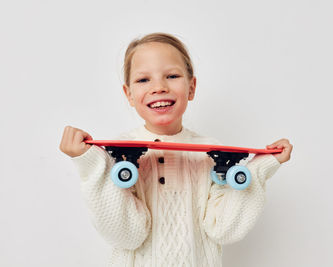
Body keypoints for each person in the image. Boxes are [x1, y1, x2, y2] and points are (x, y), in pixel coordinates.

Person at [59, 32, 293, 267]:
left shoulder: (212, 153)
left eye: (171, 76)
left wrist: (260, 169)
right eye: (143, 80)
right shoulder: (118, 154)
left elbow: (224, 229)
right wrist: (90, 163)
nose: (159, 87)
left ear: (191, 88)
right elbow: (127, 235)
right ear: (128, 94)